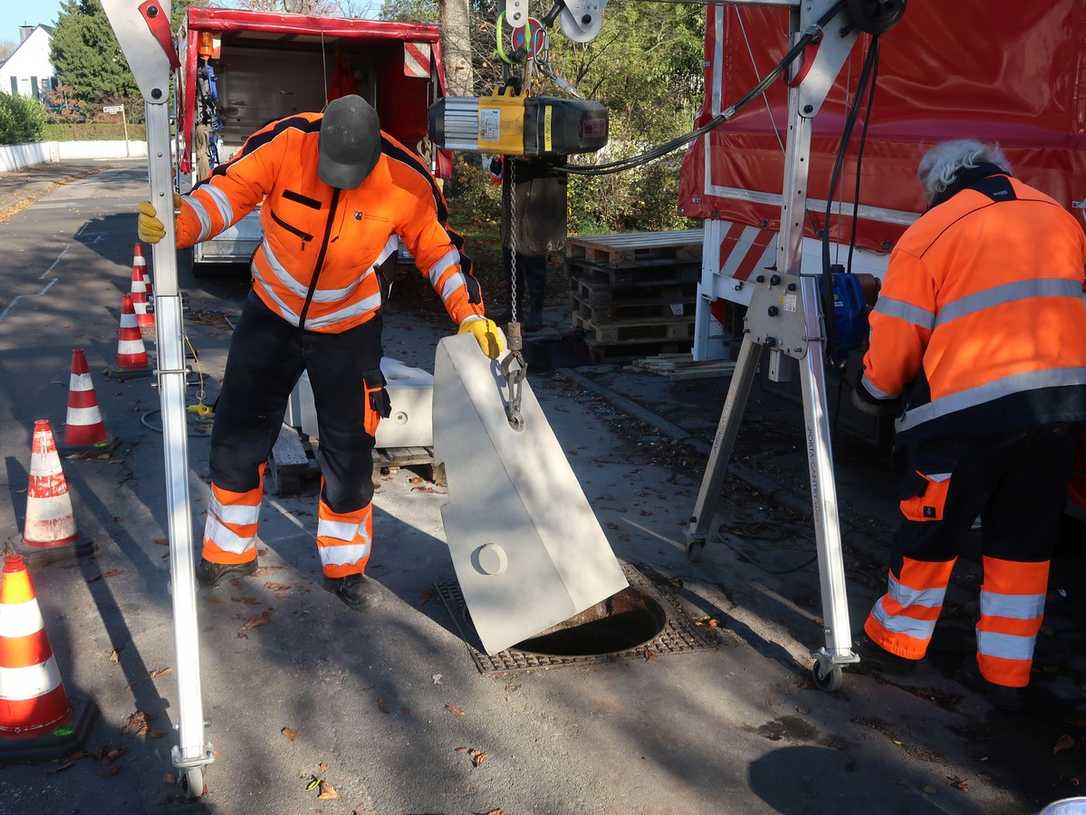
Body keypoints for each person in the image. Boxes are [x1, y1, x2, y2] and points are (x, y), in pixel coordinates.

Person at [137, 95, 505, 611]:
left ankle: (345, 567)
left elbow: (438, 248)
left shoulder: (405, 179)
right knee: (239, 433)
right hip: (272, 311)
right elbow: (226, 194)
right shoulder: (286, 143)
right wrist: (181, 221)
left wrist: (468, 312)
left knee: (351, 448)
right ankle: (228, 550)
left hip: (349, 325)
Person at [851, 139, 1086, 707]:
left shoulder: (931, 232)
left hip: (965, 418)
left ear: (938, 184)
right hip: (1058, 411)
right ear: (999, 171)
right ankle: (1006, 671)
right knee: (1023, 542)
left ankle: (897, 644)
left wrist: (871, 391)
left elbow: (897, 337)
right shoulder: (1058, 218)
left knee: (933, 529)